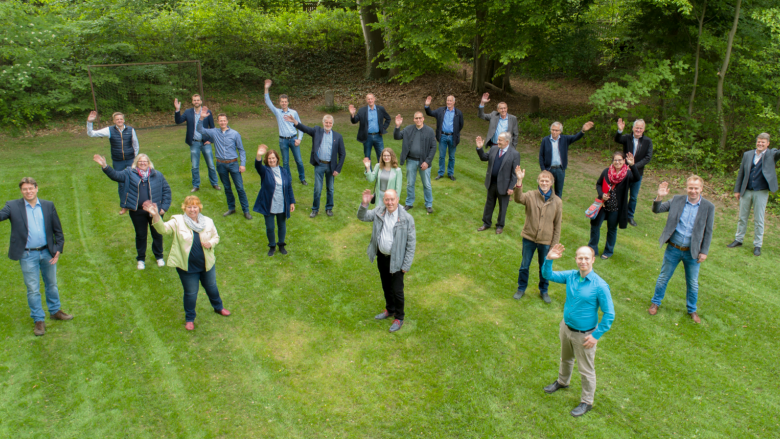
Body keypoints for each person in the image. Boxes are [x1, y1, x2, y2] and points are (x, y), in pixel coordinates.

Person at [542, 244, 614, 418]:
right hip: (566, 328)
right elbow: (547, 275)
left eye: (586, 258)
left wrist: (596, 335)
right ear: (575, 259)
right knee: (565, 358)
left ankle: (587, 402)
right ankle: (562, 381)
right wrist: (548, 259)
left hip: (585, 335)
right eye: (580, 258)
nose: (583, 261)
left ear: (593, 260)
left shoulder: (600, 286)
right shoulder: (571, 276)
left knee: (586, 370)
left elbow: (609, 314)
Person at [145, 196, 231, 331]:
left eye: (195, 207)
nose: (192, 209)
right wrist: (155, 215)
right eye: (189, 207)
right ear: (184, 208)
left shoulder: (208, 222)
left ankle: (218, 307)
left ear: (199, 208)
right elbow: (162, 230)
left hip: (207, 264)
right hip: (187, 267)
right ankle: (190, 319)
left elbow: (216, 237)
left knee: (211, 286)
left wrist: (211, 243)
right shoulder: (177, 221)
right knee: (191, 293)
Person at [0, 177, 72, 336]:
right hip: (27, 255)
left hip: (47, 252)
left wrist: (58, 248)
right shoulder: (12, 206)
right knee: (33, 289)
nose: (28, 191)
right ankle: (39, 320)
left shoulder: (48, 205)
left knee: (52, 284)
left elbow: (58, 230)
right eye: (25, 189)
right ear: (21, 191)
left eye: (31, 188)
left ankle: (55, 311)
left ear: (37, 188)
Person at [648, 177, 715, 324]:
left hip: (693, 252)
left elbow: (708, 231)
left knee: (693, 283)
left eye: (696, 188)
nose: (693, 191)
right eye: (690, 188)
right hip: (673, 248)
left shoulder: (708, 207)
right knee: (663, 277)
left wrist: (704, 251)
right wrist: (659, 196)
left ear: (701, 189)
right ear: (687, 188)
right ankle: (655, 303)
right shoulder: (676, 200)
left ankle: (692, 310)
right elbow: (656, 209)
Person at [93, 153, 172, 269]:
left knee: (157, 233)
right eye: (140, 161)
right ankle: (141, 260)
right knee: (141, 235)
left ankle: (159, 257)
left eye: (145, 161)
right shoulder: (129, 173)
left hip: (154, 211)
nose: (143, 163)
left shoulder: (157, 175)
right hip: (137, 212)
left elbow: (167, 191)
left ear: (149, 163)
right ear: (136, 163)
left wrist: (163, 208)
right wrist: (105, 166)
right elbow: (115, 176)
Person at [357, 188, 416, 333]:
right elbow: (362, 217)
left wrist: (406, 264)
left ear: (397, 199)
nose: (389, 202)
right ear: (384, 200)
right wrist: (364, 204)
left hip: (397, 260)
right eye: (387, 199)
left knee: (397, 290)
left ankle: (399, 317)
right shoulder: (379, 212)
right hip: (381, 256)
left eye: (392, 199)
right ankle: (390, 309)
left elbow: (411, 243)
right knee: (385, 285)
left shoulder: (406, 218)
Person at [512, 168, 562, 303]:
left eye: (547, 181)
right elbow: (518, 198)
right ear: (538, 182)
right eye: (542, 180)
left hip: (546, 241)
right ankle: (521, 288)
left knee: (544, 267)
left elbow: (557, 225)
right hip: (529, 238)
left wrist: (554, 246)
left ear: (551, 183)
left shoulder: (557, 201)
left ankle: (544, 290)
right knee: (524, 265)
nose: (544, 183)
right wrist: (519, 180)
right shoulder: (530, 195)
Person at [727, 133, 780, 256]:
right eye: (759, 141)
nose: (760, 144)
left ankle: (757, 245)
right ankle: (738, 239)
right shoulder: (747, 154)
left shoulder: (772, 154)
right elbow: (741, 173)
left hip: (761, 191)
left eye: (763, 142)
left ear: (768, 143)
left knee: (759, 219)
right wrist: (737, 190)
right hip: (746, 190)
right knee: (742, 217)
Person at [284, 114, 346, 218]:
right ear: (323, 123)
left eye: (330, 123)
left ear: (332, 124)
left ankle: (329, 208)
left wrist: (338, 169)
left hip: (331, 166)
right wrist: (295, 121)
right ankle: (315, 209)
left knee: (330, 189)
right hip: (319, 165)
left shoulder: (337, 136)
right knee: (317, 189)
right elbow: (305, 128)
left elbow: (342, 154)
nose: (328, 124)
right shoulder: (317, 131)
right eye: (326, 122)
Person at [196, 107, 251, 219]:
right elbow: (199, 129)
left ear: (227, 121)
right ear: (218, 122)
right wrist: (201, 118)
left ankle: (246, 211)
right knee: (227, 187)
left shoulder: (235, 134)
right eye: (220, 120)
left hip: (233, 164)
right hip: (221, 164)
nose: (222, 122)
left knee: (239, 187)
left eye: (224, 120)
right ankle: (231, 208)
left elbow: (241, 150)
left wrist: (243, 164)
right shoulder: (214, 132)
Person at [588, 151, 639, 259]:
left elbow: (637, 178)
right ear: (613, 161)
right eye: (615, 160)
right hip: (603, 205)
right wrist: (602, 194)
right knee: (595, 226)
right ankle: (592, 249)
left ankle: (608, 251)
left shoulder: (627, 174)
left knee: (611, 229)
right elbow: (598, 184)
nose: (617, 162)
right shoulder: (606, 172)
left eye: (620, 160)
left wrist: (632, 165)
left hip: (616, 208)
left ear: (624, 161)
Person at [86, 111, 139, 215]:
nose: (119, 120)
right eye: (117, 119)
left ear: (124, 120)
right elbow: (91, 133)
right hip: (118, 161)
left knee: (133, 181)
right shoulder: (109, 130)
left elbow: (136, 145)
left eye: (121, 119)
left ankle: (135, 204)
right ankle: (124, 206)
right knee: (121, 183)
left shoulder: (131, 130)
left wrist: (134, 158)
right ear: (114, 121)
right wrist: (89, 122)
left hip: (130, 160)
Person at [253, 144, 296, 256]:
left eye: (273, 158)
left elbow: (289, 187)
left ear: (277, 158)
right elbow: (258, 166)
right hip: (269, 204)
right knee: (270, 227)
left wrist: (291, 202)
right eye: (269, 158)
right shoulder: (265, 171)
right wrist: (258, 155)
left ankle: (281, 245)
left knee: (282, 225)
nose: (272, 160)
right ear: (267, 160)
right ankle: (272, 246)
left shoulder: (283, 171)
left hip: (282, 203)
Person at [475, 133, 521, 234]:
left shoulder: (514, 154)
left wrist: (511, 188)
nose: (497, 142)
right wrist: (479, 149)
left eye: (500, 140)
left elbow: (515, 173)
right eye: (498, 139)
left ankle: (500, 226)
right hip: (491, 183)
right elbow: (483, 158)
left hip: (505, 186)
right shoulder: (494, 149)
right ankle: (486, 223)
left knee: (503, 207)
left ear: (507, 142)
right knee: (489, 204)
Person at [174, 94, 220, 193]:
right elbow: (178, 121)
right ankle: (196, 185)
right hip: (194, 142)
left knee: (211, 164)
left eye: (198, 100)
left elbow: (212, 128)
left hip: (205, 143)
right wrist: (177, 110)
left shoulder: (207, 112)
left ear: (201, 101)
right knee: (195, 166)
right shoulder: (188, 112)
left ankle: (215, 183)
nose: (196, 102)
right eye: (194, 100)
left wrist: (211, 140)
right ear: (192, 102)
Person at [264, 79, 307, 185]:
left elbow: (300, 126)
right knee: (286, 162)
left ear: (288, 102)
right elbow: (268, 102)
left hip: (293, 139)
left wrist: (299, 139)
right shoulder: (277, 112)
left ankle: (302, 178)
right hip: (283, 141)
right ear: (280, 103)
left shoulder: (294, 112)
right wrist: (266, 88)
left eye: (285, 101)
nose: (284, 103)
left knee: (299, 161)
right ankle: (288, 179)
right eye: (282, 101)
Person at [393, 112, 437, 213]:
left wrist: (427, 162)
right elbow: (397, 137)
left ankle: (429, 204)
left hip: (424, 162)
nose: (418, 120)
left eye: (420, 118)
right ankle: (409, 203)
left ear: (423, 119)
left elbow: (433, 147)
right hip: (411, 160)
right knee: (410, 183)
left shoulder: (429, 131)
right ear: (414, 119)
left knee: (426, 184)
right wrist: (397, 126)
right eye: (416, 118)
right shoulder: (408, 129)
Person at [538, 121, 594, 198]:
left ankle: (557, 209)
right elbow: (541, 155)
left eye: (556, 130)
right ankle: (545, 207)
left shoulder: (564, 139)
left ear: (560, 131)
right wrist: (543, 169)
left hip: (560, 170)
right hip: (548, 169)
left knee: (558, 193)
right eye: (553, 130)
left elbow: (575, 137)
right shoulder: (545, 140)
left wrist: (583, 131)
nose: (554, 132)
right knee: (546, 190)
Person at [614, 118, 653, 227]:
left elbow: (648, 158)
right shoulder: (627, 138)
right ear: (633, 128)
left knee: (633, 196)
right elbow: (617, 139)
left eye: (641, 128)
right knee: (621, 193)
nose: (638, 130)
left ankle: (629, 216)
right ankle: (618, 212)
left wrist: (634, 166)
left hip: (637, 173)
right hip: (624, 172)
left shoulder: (647, 141)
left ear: (643, 129)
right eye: (637, 128)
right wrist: (619, 130)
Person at [424, 95, 464, 181]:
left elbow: (461, 124)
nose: (448, 102)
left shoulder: (458, 113)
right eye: (447, 100)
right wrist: (427, 106)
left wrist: (455, 132)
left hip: (453, 137)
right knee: (441, 156)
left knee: (452, 157)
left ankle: (450, 173)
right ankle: (441, 173)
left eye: (450, 101)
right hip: (442, 136)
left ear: (454, 102)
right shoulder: (441, 111)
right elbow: (430, 113)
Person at [349, 94, 392, 162]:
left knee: (381, 156)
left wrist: (383, 128)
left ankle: (381, 172)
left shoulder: (380, 109)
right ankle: (369, 172)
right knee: (367, 156)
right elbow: (354, 121)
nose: (370, 100)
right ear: (366, 100)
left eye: (371, 98)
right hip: (367, 137)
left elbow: (388, 119)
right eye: (368, 99)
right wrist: (352, 114)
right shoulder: (362, 110)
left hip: (378, 136)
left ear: (374, 99)